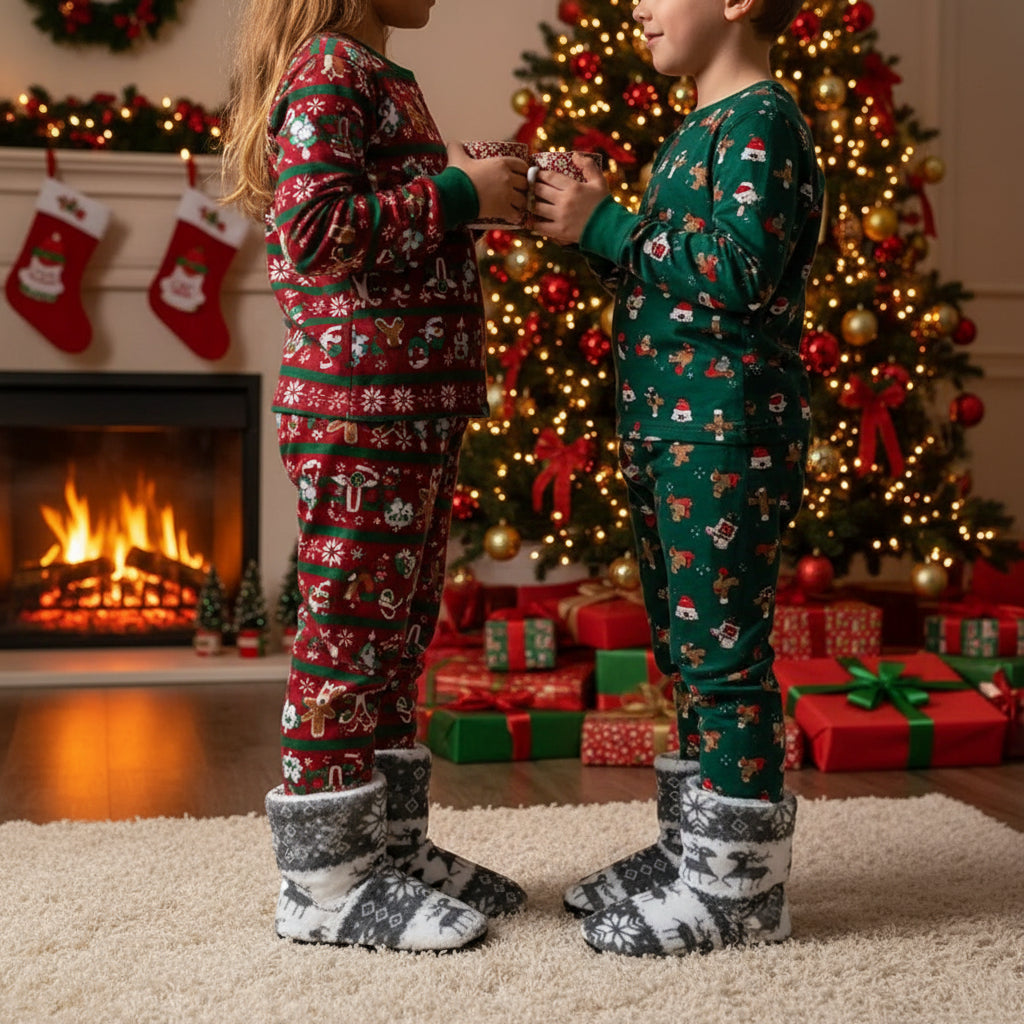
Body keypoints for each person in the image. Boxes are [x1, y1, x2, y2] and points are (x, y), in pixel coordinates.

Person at [221, 0, 529, 952]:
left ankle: (389, 849)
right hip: (357, 411)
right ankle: (322, 882)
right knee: (345, 638)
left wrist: (476, 173)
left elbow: (387, 209)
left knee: (394, 639)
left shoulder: (377, 73)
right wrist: (461, 194)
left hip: (412, 407)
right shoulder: (327, 70)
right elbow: (318, 231)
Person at [532, 0, 824, 956]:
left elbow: (739, 270)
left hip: (727, 433)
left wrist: (612, 224)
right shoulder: (697, 130)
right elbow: (673, 274)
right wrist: (594, 221)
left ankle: (742, 894)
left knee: (725, 661)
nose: (639, 7)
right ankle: (695, 853)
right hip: (671, 432)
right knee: (688, 653)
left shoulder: (765, 121)